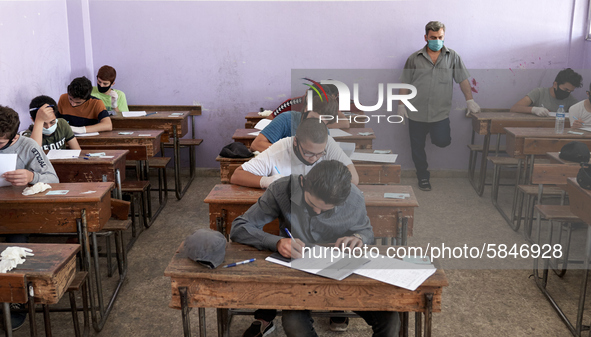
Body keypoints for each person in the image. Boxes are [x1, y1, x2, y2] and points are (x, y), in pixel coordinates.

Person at [230, 160, 399, 337]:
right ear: (302, 182)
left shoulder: (354, 198)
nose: (317, 213)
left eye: (326, 209)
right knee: (294, 323)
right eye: (312, 204)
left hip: (342, 274)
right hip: (298, 276)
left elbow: (366, 232)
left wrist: (358, 238)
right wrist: (277, 242)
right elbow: (239, 227)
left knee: (390, 320)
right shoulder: (281, 189)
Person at [398, 21, 480, 191]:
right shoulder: (414, 58)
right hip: (416, 112)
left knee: (442, 141)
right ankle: (423, 177)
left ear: (444, 36)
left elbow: (463, 80)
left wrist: (469, 100)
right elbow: (406, 82)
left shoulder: (453, 56)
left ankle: (434, 134)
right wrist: (401, 105)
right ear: (426, 37)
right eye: (433, 37)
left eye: (440, 37)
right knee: (417, 148)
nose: (437, 40)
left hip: (440, 113)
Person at [0, 105, 59, 331]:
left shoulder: (28, 145)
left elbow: (53, 178)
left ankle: (15, 301)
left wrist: (31, 176)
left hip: (19, 214)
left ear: (14, 136)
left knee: (14, 248)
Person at [231, 118, 359, 188]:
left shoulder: (329, 143)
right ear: (296, 142)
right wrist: (266, 181)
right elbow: (237, 175)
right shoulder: (281, 148)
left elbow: (353, 179)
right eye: (308, 153)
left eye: (320, 154)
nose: (314, 158)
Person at [250, 84, 350, 152]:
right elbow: (256, 145)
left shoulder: (324, 130)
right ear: (307, 107)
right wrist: (289, 152)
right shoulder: (286, 119)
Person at [511, 68, 582, 116]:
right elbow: (515, 108)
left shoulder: (570, 99)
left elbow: (582, 112)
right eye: (566, 90)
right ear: (555, 84)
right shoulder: (539, 93)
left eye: (571, 91)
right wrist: (533, 110)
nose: (568, 93)